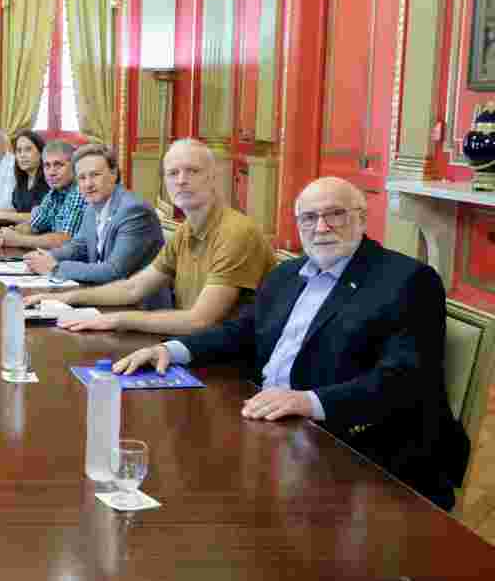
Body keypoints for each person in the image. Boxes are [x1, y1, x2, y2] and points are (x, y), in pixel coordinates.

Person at [114, 177, 471, 511]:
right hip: (272, 427)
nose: (321, 227)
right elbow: (242, 331)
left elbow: (405, 378)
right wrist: (170, 350)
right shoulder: (287, 274)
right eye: (309, 218)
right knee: (183, 476)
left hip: (358, 451)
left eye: (335, 215)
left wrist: (307, 401)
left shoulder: (407, 281)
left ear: (362, 219)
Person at [56, 139, 274, 335]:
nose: (181, 180)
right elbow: (133, 288)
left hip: (227, 358)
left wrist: (115, 320)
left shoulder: (236, 232)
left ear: (213, 177)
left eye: (192, 171)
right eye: (172, 173)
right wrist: (66, 298)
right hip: (191, 345)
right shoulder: (186, 230)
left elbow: (200, 321)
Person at [22, 143, 165, 300]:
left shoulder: (134, 211)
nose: (88, 184)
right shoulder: (92, 207)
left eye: (95, 175)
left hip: (139, 306)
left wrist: (56, 268)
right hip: (106, 296)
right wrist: (45, 257)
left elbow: (114, 271)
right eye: (82, 177)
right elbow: (77, 247)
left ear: (113, 174)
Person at [0, 139, 86, 250]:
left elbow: (65, 240)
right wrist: (10, 232)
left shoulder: (79, 191)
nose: (51, 172)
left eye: (58, 165)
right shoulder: (53, 193)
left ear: (74, 167)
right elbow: (34, 225)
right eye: (47, 166)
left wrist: (18, 239)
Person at [0, 129, 49, 223]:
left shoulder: (48, 179)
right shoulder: (22, 179)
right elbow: (16, 209)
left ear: (41, 152)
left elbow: (41, 217)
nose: (22, 155)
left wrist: (0, 214)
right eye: (19, 151)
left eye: (28, 149)